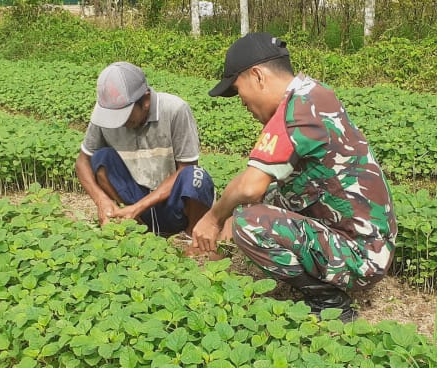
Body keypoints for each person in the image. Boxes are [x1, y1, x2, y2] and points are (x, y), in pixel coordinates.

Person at [191, 33, 397, 322]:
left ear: (257, 76)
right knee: (258, 201)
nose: (243, 104)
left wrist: (214, 218)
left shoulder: (299, 108)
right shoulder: (312, 93)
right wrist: (226, 212)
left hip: (362, 257)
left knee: (250, 222)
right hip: (366, 243)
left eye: (239, 91)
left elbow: (251, 187)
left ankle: (329, 301)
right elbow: (253, 182)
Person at [74, 61, 215, 236]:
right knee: (101, 158)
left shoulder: (175, 109)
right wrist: (101, 200)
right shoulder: (104, 113)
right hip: (135, 195)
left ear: (146, 100)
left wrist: (138, 207)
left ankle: (192, 235)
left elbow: (187, 168)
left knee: (196, 177)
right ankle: (133, 225)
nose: (121, 122)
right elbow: (82, 162)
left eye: (125, 114)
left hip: (172, 203)